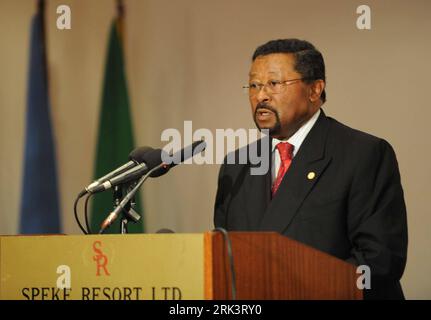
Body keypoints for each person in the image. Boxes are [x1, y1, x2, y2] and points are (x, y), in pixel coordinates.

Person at [214, 39, 408, 300]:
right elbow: (224, 257)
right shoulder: (236, 166)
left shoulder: (363, 153)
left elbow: (380, 261)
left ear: (315, 89)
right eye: (254, 85)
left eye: (274, 83)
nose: (261, 96)